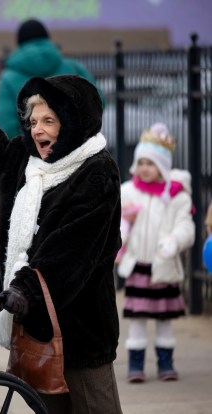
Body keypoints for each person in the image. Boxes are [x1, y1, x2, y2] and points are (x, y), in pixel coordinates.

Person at [0, 58, 123, 413]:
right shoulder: (25, 164)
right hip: (34, 329)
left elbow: (70, 249)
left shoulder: (96, 171)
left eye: (49, 121)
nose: (38, 130)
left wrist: (24, 290)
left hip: (81, 331)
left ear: (74, 123)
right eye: (32, 122)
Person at [116, 123, 195, 383]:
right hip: (138, 266)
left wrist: (175, 240)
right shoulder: (128, 192)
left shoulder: (176, 196)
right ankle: (136, 365)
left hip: (164, 267)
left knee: (164, 319)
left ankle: (165, 362)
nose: (145, 168)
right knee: (137, 318)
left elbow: (186, 225)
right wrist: (123, 227)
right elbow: (118, 222)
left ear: (163, 166)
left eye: (151, 163)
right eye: (141, 162)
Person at [0, 18, 102, 140]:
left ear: (19, 44)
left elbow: (6, 124)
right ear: (47, 38)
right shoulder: (73, 67)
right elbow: (98, 102)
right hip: (75, 148)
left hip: (31, 153)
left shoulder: (8, 79)